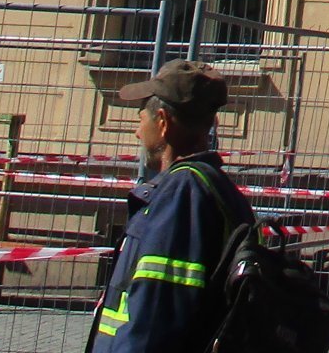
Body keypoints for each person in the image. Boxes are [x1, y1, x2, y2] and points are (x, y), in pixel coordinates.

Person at [91, 59, 253, 353]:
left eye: (141, 120)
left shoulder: (182, 195)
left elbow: (153, 320)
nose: (138, 133)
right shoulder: (215, 188)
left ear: (163, 122)